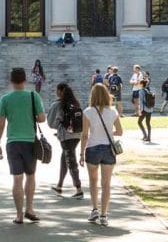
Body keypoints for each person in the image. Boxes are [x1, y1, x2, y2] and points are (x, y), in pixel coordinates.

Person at [0, 68, 46, 225]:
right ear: (25, 80)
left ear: (11, 81)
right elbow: (42, 119)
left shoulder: (5, 99)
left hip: (12, 142)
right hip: (29, 141)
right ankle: (30, 208)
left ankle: (19, 215)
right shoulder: (33, 96)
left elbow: (1, 124)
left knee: (17, 179)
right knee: (30, 176)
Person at [80, 83, 122, 227]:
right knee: (106, 184)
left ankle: (94, 209)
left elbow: (85, 135)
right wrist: (109, 133)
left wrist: (80, 153)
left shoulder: (88, 111)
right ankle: (104, 214)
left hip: (92, 147)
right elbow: (120, 131)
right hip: (108, 149)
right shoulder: (113, 111)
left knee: (93, 181)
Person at [47, 83, 84, 199]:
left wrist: (58, 127)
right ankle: (59, 185)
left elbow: (51, 123)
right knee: (65, 158)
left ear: (59, 91)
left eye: (56, 90)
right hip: (77, 135)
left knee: (71, 161)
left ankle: (79, 189)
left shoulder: (58, 105)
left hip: (66, 136)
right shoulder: (76, 103)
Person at [137, 78, 154, 143]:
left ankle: (145, 135)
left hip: (144, 109)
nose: (138, 84)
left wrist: (140, 110)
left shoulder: (141, 91)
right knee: (148, 123)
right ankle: (149, 137)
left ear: (141, 84)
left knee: (139, 122)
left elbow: (141, 101)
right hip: (150, 109)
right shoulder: (147, 90)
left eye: (139, 83)